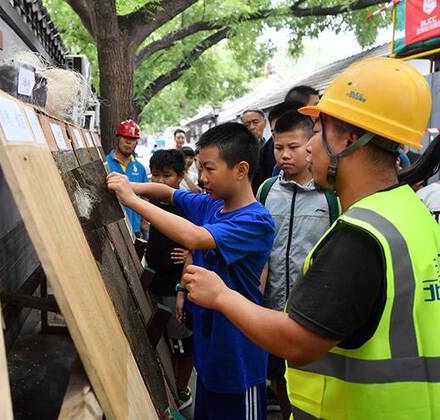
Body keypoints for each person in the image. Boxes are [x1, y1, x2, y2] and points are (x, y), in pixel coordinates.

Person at [180, 57, 440, 418]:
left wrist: (221, 295)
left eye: (317, 132)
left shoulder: (360, 236)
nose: (308, 148)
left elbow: (297, 341)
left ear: (348, 138)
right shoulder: (411, 213)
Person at [107, 122, 275, 420]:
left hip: (238, 361)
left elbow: (195, 238)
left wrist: (131, 201)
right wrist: (128, 186)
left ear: (241, 169)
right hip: (210, 356)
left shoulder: (255, 221)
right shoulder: (212, 205)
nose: (202, 177)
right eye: (200, 168)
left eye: (210, 169)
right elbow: (167, 193)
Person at [256, 110, 339, 419]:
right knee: (279, 376)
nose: (285, 155)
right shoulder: (266, 191)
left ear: (312, 146)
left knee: (314, 380)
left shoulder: (331, 195)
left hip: (313, 311)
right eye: (279, 148)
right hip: (272, 307)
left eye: (293, 147)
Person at [145, 149, 194, 411]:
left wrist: (191, 252)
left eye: (167, 175)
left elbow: (204, 237)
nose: (161, 181)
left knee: (181, 344)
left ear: (181, 175)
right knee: (163, 339)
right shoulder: (151, 200)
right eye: (155, 175)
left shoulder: (187, 205)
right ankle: (169, 386)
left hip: (176, 287)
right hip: (155, 283)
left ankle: (181, 389)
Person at [106, 119, 148, 237]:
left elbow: (146, 197)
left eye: (133, 139)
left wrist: (144, 222)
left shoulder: (140, 168)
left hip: (134, 228)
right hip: (112, 230)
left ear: (137, 142)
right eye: (125, 137)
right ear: (118, 138)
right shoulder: (104, 163)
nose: (129, 142)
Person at [241, 109, 272, 193]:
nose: (251, 127)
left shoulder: (271, 146)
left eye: (255, 122)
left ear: (265, 123)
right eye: (247, 125)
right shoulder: (239, 150)